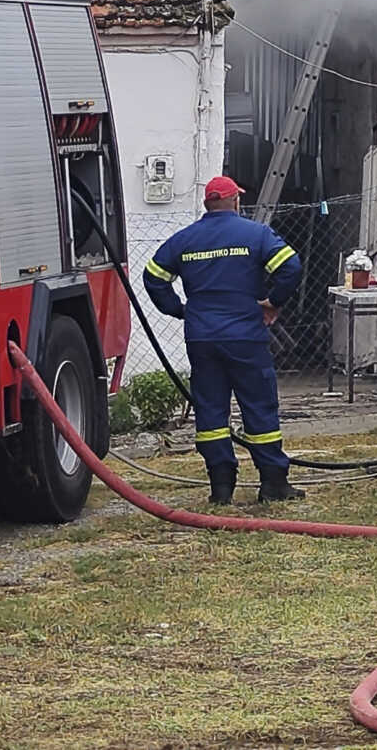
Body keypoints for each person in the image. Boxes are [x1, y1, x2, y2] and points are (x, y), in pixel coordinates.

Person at [142, 175, 305, 506]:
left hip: (202, 337)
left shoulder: (185, 239)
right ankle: (273, 483)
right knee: (258, 406)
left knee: (211, 410)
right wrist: (273, 302)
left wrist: (180, 310)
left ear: (206, 205)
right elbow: (291, 266)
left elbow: (153, 276)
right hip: (245, 336)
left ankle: (220, 487)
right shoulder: (255, 235)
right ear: (236, 202)